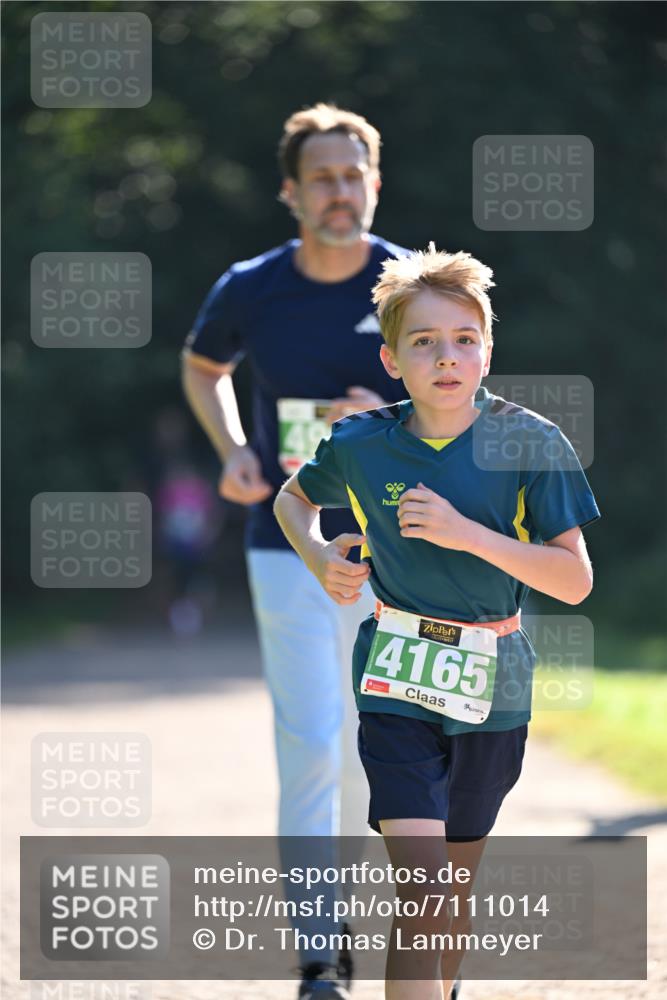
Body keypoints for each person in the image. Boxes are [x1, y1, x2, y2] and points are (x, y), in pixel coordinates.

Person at [274, 245, 600, 1000]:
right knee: (420, 895)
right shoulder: (359, 443)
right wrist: (322, 554)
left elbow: (575, 580)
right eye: (422, 342)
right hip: (394, 678)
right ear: (391, 359)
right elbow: (292, 500)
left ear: (487, 353)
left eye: (462, 339)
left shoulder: (530, 442)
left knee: (449, 899)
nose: (444, 357)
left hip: (495, 680)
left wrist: (467, 534)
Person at [181, 104, 407, 998]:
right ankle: (322, 953)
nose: (339, 192)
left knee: (380, 744)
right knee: (310, 740)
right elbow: (204, 367)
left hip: (400, 550)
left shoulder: (406, 282)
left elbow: (459, 392)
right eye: (321, 177)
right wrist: (235, 450)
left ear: (374, 184)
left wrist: (383, 416)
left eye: (353, 175)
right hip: (289, 542)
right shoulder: (251, 286)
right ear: (290, 191)